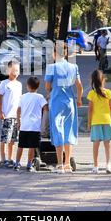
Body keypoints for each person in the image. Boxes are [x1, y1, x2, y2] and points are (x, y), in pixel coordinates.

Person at [45, 42, 83, 174]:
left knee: (57, 131)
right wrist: (78, 99)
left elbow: (47, 86)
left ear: (55, 53)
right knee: (69, 131)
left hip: (56, 102)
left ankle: (60, 164)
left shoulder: (52, 67)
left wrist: (50, 93)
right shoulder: (74, 67)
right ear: (66, 53)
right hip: (70, 102)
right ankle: (68, 164)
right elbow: (79, 86)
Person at [14, 77, 48, 172]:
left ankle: (17, 164)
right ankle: (29, 165)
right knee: (32, 147)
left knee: (20, 146)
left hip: (24, 126)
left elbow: (18, 110)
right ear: (37, 87)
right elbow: (45, 108)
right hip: (35, 127)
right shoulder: (40, 97)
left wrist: (18, 121)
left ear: (27, 86)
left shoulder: (23, 96)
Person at [87, 69, 111, 174]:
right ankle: (108, 165)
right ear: (103, 80)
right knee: (107, 144)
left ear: (93, 81)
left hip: (96, 122)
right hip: (107, 120)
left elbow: (90, 110)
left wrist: (89, 123)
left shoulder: (91, 94)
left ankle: (95, 166)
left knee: (96, 144)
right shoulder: (108, 92)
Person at [0, 60, 23, 168]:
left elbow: (20, 100)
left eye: (17, 70)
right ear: (8, 71)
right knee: (5, 138)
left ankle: (10, 158)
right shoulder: (4, 83)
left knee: (13, 139)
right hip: (7, 115)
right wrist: (0, 111)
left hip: (15, 116)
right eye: (13, 70)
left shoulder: (19, 84)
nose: (15, 72)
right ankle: (3, 159)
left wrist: (20, 116)